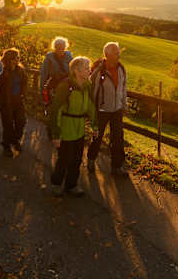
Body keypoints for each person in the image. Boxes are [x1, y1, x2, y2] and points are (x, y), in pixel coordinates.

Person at [49, 56, 99, 197]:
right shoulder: (66, 86)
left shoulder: (87, 86)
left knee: (77, 159)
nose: (89, 71)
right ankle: (56, 184)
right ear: (76, 70)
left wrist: (95, 126)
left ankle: (71, 185)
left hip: (79, 129)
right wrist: (56, 134)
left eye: (89, 68)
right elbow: (56, 110)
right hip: (66, 129)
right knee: (64, 159)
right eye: (86, 68)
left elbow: (91, 108)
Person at [87, 42, 128, 176]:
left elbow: (123, 88)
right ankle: (91, 159)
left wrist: (124, 105)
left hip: (117, 110)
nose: (119, 55)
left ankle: (116, 167)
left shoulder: (121, 68)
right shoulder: (100, 70)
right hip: (102, 110)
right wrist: (93, 109)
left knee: (118, 139)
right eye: (116, 53)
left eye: (119, 52)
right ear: (107, 55)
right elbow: (93, 90)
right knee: (97, 137)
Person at [0, 48, 27, 157]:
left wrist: (23, 94)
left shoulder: (20, 70)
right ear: (10, 59)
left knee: (21, 122)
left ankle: (14, 140)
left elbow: (24, 83)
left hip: (18, 100)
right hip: (6, 101)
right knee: (8, 125)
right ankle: (6, 146)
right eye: (17, 57)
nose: (19, 59)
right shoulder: (2, 71)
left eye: (18, 57)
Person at [39, 37, 73, 107]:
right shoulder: (49, 58)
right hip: (54, 85)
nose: (61, 50)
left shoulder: (69, 57)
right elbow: (44, 74)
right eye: (58, 47)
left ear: (65, 47)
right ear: (55, 47)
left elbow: (73, 71)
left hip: (66, 85)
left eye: (63, 48)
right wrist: (42, 90)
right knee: (53, 104)